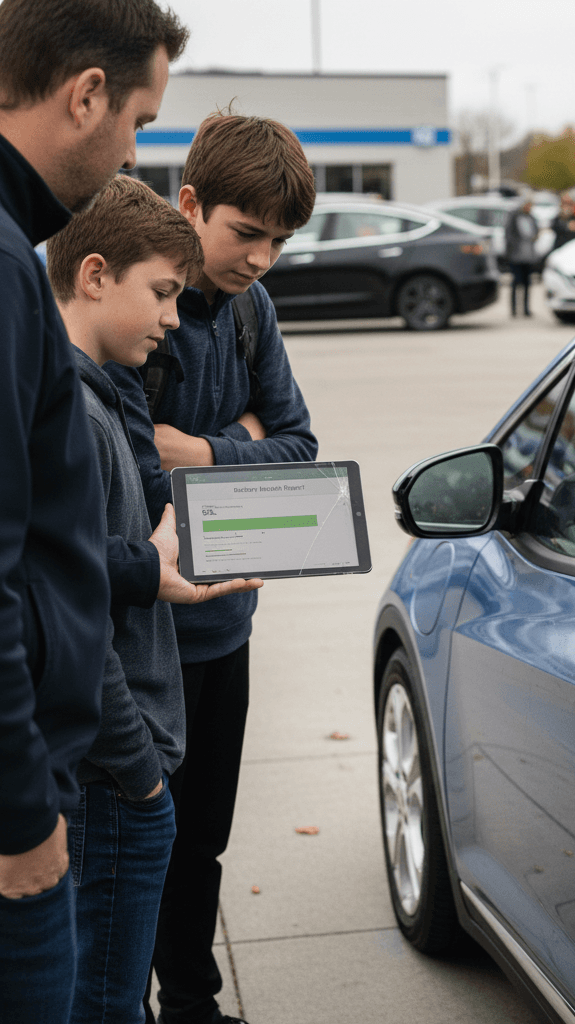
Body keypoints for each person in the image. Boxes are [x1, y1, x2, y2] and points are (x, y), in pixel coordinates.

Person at [106, 112, 318, 1024]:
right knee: (134, 841)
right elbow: (123, 464)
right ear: (190, 205)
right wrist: (246, 442)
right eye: (246, 233)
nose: (263, 257)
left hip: (224, 625)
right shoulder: (134, 302)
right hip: (135, 638)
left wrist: (202, 451)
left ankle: (194, 1002)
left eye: (280, 240)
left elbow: (303, 450)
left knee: (203, 844)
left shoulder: (251, 311)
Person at [0, 3, 187, 1021]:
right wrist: (28, 814)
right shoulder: (5, 268)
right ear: (85, 95)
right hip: (45, 795)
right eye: (140, 119)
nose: (133, 145)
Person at [47, 175, 264, 1024]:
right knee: (106, 1000)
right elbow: (70, 609)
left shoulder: (100, 393)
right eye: (164, 293)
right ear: (95, 275)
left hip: (118, 769)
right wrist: (139, 775)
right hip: (112, 778)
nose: (175, 318)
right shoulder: (73, 412)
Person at [504, 198, 539, 316]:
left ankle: (526, 309)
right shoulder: (514, 217)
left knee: (527, 283)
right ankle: (513, 309)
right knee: (516, 282)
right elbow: (508, 235)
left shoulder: (532, 218)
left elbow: (536, 233)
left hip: (528, 255)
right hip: (516, 256)